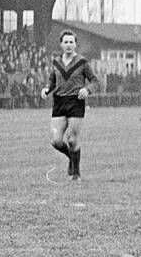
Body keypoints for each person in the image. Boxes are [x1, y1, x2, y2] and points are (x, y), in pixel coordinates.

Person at [40, 29, 98, 180]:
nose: (68, 45)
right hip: (59, 102)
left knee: (72, 139)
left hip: (76, 101)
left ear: (75, 44)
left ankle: (76, 173)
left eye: (71, 42)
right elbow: (52, 81)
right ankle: (71, 159)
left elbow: (95, 81)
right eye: (65, 42)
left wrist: (87, 89)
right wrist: (47, 89)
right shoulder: (56, 62)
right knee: (56, 140)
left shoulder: (83, 63)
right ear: (61, 44)